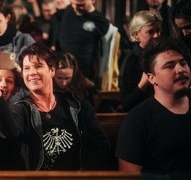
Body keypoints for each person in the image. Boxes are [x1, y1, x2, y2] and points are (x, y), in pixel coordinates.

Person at [0, 43, 111, 170]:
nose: (32, 72)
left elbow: (101, 146)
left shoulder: (78, 105)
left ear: (52, 70)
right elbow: (6, 129)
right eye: (26, 68)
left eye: (38, 66)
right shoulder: (22, 109)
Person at [116, 37, 191, 173]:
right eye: (169, 66)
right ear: (152, 78)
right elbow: (129, 176)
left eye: (183, 63)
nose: (180, 69)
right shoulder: (138, 120)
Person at [119, 10, 161, 112]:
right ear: (136, 34)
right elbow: (126, 103)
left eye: (158, 30)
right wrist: (142, 85)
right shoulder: (131, 61)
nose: (156, 36)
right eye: (150, 32)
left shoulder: (162, 54)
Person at [59, 0, 110, 84]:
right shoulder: (69, 10)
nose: (75, 8)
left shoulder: (101, 22)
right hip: (63, 72)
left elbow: (105, 54)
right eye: (73, 4)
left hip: (85, 75)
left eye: (80, 5)